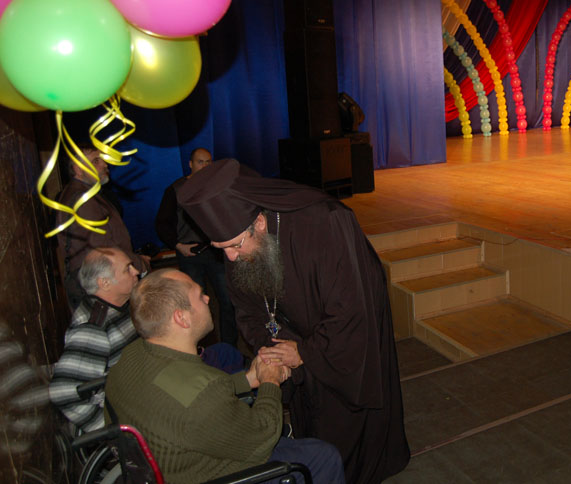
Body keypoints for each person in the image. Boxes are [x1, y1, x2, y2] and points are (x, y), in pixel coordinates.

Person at [176, 158, 409, 484]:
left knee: (347, 430)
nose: (230, 258)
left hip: (341, 345)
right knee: (310, 422)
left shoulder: (326, 222)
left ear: (259, 223)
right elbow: (247, 309)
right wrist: (274, 348)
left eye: (233, 246)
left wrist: (305, 352)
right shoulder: (237, 241)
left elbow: (351, 309)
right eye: (219, 249)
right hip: (291, 342)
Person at [105, 269, 345, 484]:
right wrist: (270, 381)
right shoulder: (203, 395)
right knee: (323, 456)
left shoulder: (134, 354)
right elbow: (262, 439)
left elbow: (184, 396)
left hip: (156, 463)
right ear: (181, 318)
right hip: (210, 472)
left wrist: (248, 379)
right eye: (200, 295)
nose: (208, 299)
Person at [49, 247, 140, 432]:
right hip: (130, 418)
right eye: (127, 269)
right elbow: (63, 393)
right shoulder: (92, 328)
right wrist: (111, 428)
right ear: (105, 283)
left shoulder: (121, 306)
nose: (136, 271)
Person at [155, 147, 237, 346]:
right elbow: (162, 223)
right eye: (201, 162)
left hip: (216, 252)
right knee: (196, 306)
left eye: (208, 162)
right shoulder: (176, 189)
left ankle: (230, 350)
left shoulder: (217, 187)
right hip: (190, 254)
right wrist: (177, 245)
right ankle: (204, 351)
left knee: (228, 301)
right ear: (190, 164)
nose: (205, 166)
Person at [56, 144, 149, 308]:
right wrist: (139, 263)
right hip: (99, 289)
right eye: (96, 161)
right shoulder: (82, 200)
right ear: (78, 169)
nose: (105, 165)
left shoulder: (86, 194)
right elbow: (102, 249)